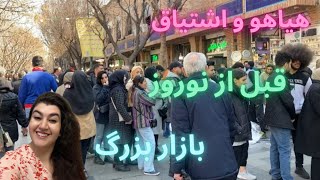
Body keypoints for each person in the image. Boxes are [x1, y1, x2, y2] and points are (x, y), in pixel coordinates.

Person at [170, 52, 238, 180]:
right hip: (227, 163)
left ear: (184, 71)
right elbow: (231, 126)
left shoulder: (180, 92)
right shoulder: (220, 89)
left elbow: (180, 133)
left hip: (200, 167)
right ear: (206, 68)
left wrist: (177, 168)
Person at [0, 92, 86, 180]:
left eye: (52, 120)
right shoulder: (13, 163)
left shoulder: (68, 158)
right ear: (29, 121)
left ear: (62, 128)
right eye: (37, 117)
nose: (43, 126)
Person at [282, 43, 313, 179]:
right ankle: (279, 167)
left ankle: (299, 166)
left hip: (299, 114)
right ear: (289, 60)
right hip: (283, 113)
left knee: (298, 141)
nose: (297, 63)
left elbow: (310, 97)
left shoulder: (305, 77)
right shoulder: (281, 77)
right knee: (281, 143)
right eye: (294, 60)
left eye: (300, 61)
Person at [264, 51, 296, 180]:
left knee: (275, 147)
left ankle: (276, 174)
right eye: (290, 63)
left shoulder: (271, 76)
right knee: (284, 150)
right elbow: (288, 100)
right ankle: (286, 177)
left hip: (271, 117)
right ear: (286, 63)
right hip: (281, 118)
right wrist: (292, 115)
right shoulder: (281, 78)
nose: (291, 66)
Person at [63, 70, 96, 177]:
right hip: (89, 126)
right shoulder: (89, 90)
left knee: (75, 150)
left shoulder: (68, 93)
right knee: (84, 150)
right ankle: (81, 168)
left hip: (75, 126)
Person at [228, 69, 256, 180]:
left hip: (244, 128)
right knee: (237, 154)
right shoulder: (229, 94)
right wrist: (239, 129)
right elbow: (229, 116)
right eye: (243, 80)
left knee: (244, 151)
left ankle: (242, 171)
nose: (245, 82)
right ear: (235, 80)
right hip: (237, 131)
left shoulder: (241, 92)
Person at [131, 75, 160, 176]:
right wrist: (152, 93)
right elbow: (151, 101)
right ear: (139, 83)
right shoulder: (140, 92)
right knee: (150, 144)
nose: (146, 83)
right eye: (144, 82)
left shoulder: (135, 91)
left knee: (142, 144)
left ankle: (142, 165)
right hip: (143, 122)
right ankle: (148, 168)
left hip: (139, 122)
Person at [296, 68, 320, 180]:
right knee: (318, 155)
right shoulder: (316, 89)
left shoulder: (315, 87)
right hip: (315, 129)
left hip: (315, 127)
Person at [109, 70, 133, 172]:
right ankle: (119, 163)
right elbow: (120, 106)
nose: (126, 79)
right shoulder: (118, 90)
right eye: (124, 77)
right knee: (121, 141)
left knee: (120, 141)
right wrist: (128, 118)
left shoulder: (116, 88)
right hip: (119, 120)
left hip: (117, 119)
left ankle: (117, 161)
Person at [0, 72, 28, 156]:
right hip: (10, 130)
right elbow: (20, 113)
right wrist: (24, 125)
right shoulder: (13, 97)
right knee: (10, 153)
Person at [144, 67, 165, 156]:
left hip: (157, 109)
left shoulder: (153, 81)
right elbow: (156, 93)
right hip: (153, 109)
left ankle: (155, 147)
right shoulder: (148, 82)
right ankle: (154, 148)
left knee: (156, 130)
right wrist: (163, 94)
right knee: (154, 129)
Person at [92, 71, 112, 165]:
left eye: (106, 77)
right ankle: (97, 155)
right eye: (103, 78)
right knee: (99, 136)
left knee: (107, 136)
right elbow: (98, 99)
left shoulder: (109, 86)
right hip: (100, 115)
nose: (105, 79)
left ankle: (107, 154)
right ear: (99, 79)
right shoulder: (96, 88)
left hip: (108, 114)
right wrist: (104, 88)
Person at [164, 61, 183, 138]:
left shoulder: (175, 78)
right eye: (180, 67)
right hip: (173, 106)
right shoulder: (172, 79)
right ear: (174, 69)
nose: (181, 69)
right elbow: (170, 95)